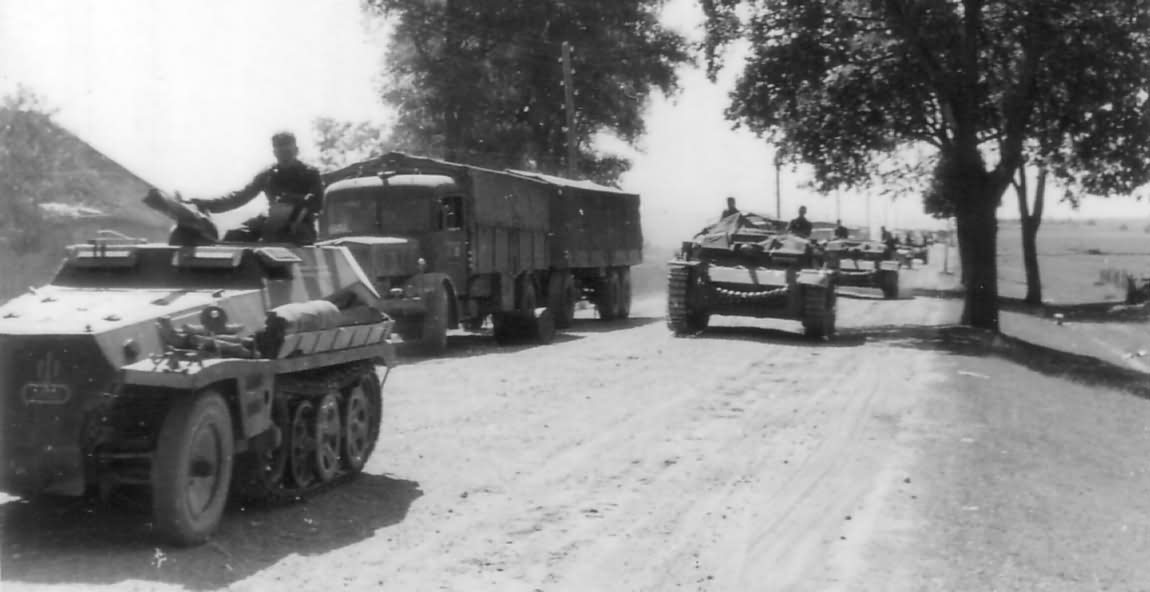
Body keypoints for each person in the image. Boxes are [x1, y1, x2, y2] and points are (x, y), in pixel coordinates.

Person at [189, 131, 325, 244]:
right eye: (280, 153)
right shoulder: (268, 174)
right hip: (270, 222)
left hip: (300, 226)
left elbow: (317, 203)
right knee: (234, 235)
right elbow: (240, 197)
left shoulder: (310, 173)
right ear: (275, 153)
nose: (284, 157)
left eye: (288, 152)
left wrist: (293, 201)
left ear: (296, 151)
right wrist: (205, 204)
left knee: (285, 237)